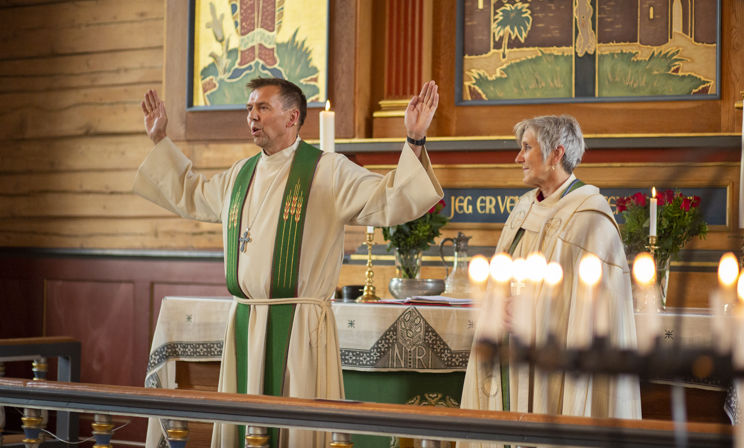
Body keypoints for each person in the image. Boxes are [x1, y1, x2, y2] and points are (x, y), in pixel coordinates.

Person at [135, 78, 443, 448]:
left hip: (298, 326)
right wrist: (159, 140)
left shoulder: (327, 171)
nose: (252, 116)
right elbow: (193, 193)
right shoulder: (240, 174)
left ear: (292, 117)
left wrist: (415, 139)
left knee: (296, 427)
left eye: (262, 108)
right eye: (249, 109)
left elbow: (390, 198)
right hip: (246, 320)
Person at [459, 115, 641, 446]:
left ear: (556, 154)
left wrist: (536, 308)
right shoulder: (523, 209)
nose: (518, 157)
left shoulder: (591, 216)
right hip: (510, 355)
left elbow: (599, 306)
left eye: (526, 148)